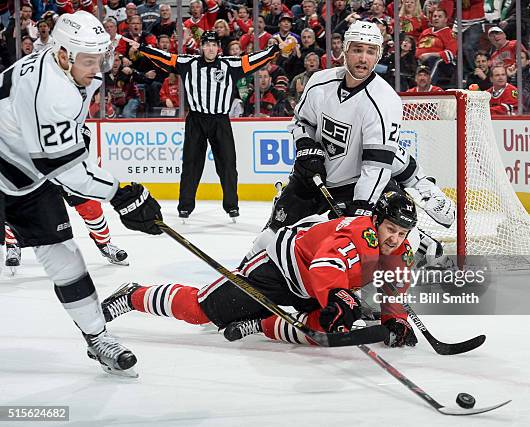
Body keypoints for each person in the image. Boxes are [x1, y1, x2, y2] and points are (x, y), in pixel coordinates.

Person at [0, 11, 163, 376]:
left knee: (66, 261)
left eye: (100, 57)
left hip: (23, 174)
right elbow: (65, 171)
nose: (98, 67)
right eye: (89, 60)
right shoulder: (49, 91)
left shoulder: (73, 69)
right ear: (62, 54)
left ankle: (98, 337)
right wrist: (121, 194)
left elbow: (68, 144)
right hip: (19, 167)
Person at [246, 21, 454, 262]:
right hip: (313, 176)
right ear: (344, 50)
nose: (363, 58)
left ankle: (422, 247)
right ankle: (246, 273)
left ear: (378, 56)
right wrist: (305, 146)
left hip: (355, 184)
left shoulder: (385, 101)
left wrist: (361, 210)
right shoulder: (319, 82)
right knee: (269, 239)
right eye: (356, 49)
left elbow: (376, 166)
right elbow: (301, 122)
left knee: (382, 234)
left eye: (370, 51)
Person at [102, 191, 419, 348]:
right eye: (390, 228)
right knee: (201, 312)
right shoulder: (358, 235)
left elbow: (393, 287)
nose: (394, 238)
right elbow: (328, 264)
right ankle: (132, 296)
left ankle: (261, 324)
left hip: (314, 286)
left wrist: (396, 321)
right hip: (280, 268)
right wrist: (339, 296)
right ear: (376, 221)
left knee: (325, 331)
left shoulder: (400, 250)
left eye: (401, 233)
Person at [129, 31, 289, 220]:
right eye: (207, 44)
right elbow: (165, 58)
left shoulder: (231, 64)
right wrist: (144, 48)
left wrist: (274, 49)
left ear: (218, 48)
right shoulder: (188, 63)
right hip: (196, 120)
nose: (211, 48)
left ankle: (231, 205)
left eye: (214, 45)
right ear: (202, 47)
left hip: (220, 120)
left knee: (228, 164)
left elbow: (254, 59)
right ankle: (185, 206)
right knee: (191, 164)